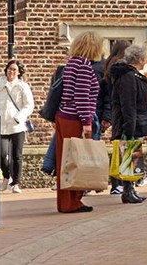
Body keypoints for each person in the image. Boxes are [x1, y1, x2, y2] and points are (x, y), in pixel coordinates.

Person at [55, 31, 104, 213]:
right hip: (74, 118)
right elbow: (81, 96)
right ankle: (73, 202)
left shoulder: (72, 63)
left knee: (64, 161)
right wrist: (87, 122)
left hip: (63, 116)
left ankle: (64, 202)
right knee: (75, 160)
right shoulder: (84, 65)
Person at [110, 45, 147, 204]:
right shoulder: (128, 77)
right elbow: (128, 104)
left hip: (135, 122)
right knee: (128, 157)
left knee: (131, 157)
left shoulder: (132, 75)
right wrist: (129, 127)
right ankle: (128, 190)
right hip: (130, 123)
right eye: (145, 57)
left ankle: (130, 189)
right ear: (140, 59)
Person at [0, 58, 35, 193]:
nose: (11, 72)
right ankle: (6, 176)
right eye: (9, 69)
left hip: (17, 125)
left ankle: (16, 182)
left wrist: (19, 117)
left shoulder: (23, 86)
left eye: (14, 69)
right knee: (2, 154)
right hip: (1, 125)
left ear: (19, 72)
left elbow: (29, 105)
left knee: (16, 155)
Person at [100, 40, 130, 194]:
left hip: (115, 112)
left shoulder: (109, 64)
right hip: (122, 112)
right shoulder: (120, 67)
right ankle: (122, 183)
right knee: (124, 147)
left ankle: (118, 183)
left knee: (119, 148)